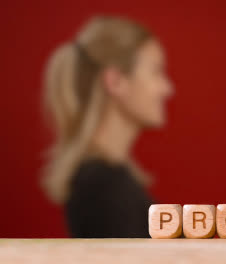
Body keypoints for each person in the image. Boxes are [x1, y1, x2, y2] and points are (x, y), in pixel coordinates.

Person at [41, 16, 173, 238]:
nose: (167, 89)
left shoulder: (106, 182)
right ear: (116, 82)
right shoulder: (104, 188)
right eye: (156, 72)